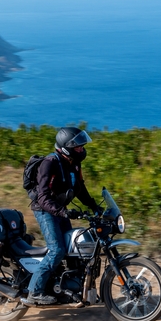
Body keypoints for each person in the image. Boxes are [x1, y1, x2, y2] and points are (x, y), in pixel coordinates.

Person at [21, 127, 101, 306]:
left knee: (73, 250)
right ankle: (35, 291)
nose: (82, 149)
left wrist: (94, 206)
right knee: (57, 250)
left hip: (60, 210)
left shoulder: (73, 163)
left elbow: (80, 188)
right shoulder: (50, 163)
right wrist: (63, 212)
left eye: (82, 146)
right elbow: (42, 197)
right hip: (45, 210)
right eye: (78, 146)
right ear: (66, 147)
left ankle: (69, 289)